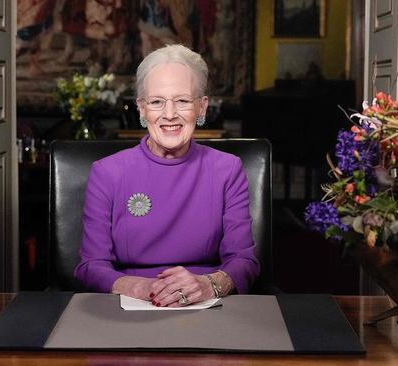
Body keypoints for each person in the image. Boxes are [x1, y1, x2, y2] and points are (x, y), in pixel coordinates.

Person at [74, 44, 259, 307]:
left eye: (183, 101)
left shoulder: (227, 169)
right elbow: (91, 266)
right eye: (157, 102)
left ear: (202, 108)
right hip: (128, 305)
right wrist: (143, 288)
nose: (169, 114)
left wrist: (208, 285)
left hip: (205, 306)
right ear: (141, 109)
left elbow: (244, 262)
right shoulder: (107, 172)